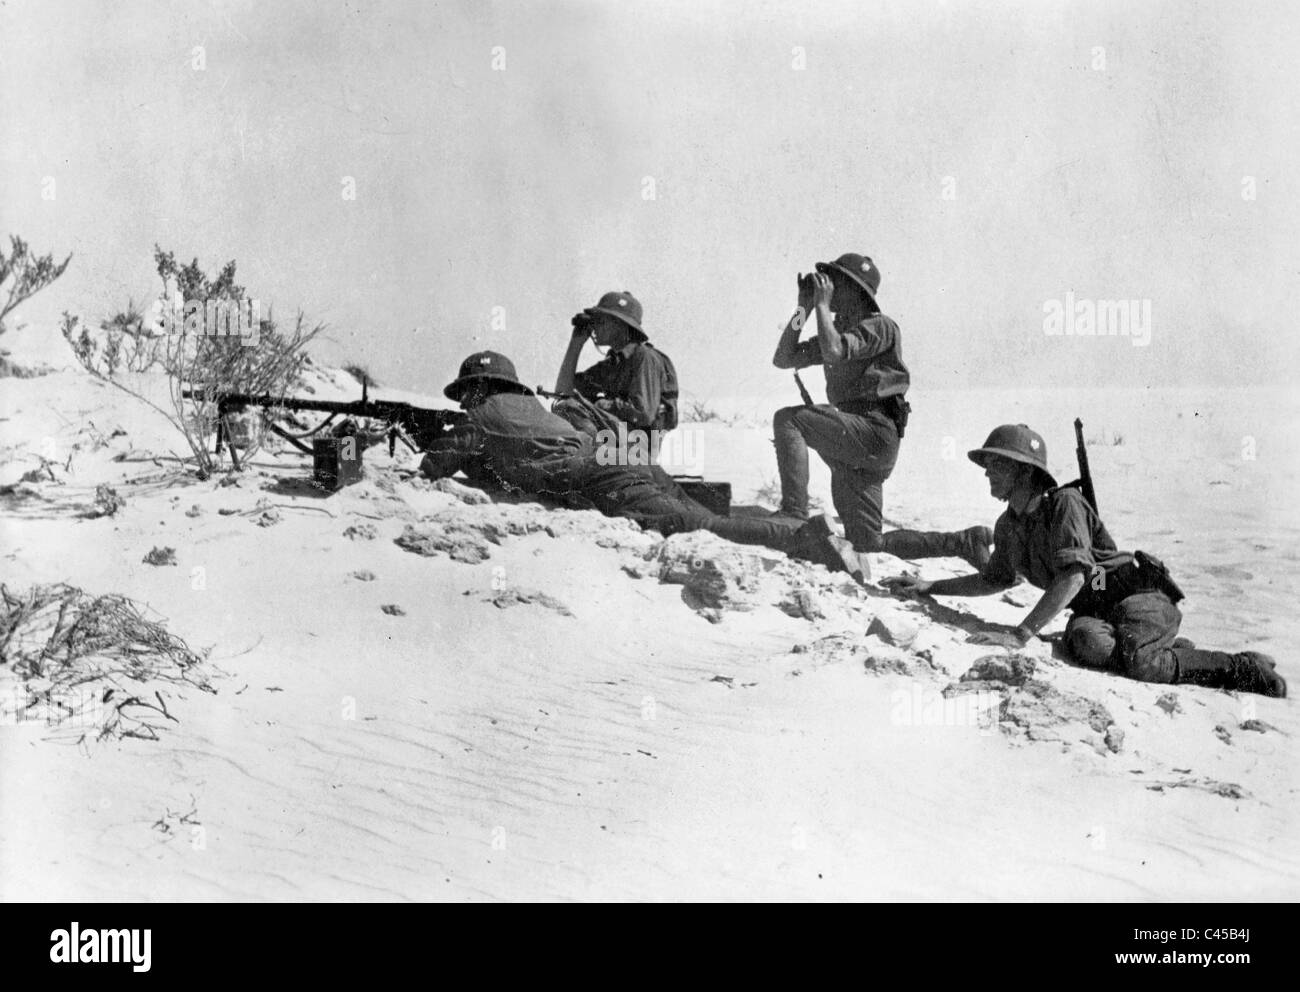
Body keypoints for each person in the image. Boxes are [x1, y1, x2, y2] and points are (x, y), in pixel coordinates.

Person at [882, 424, 1285, 697]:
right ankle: (1167, 648)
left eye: (997, 465)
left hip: (1138, 596)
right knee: (1086, 643)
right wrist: (930, 587)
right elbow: (994, 579)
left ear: (1024, 472)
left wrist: (1020, 634)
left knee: (1143, 666)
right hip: (1099, 611)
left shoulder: (1065, 504)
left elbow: (1074, 577)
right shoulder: (1008, 524)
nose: (987, 473)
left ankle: (1243, 669)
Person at [420, 350, 860, 574]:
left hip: (600, 473)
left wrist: (427, 440)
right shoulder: (528, 407)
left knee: (694, 526)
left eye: (466, 395)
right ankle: (792, 525)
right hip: (619, 452)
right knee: (698, 508)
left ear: (474, 390)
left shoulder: (480, 416)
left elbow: (436, 464)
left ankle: (807, 539)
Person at [771, 252, 990, 576]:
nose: (828, 288)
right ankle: (961, 542)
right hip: (857, 439)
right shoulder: (839, 329)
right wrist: (803, 307)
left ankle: (794, 513)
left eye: (835, 283)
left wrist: (818, 306)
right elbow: (784, 357)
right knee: (868, 542)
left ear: (856, 291)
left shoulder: (880, 327)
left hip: (873, 431)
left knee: (790, 419)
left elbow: (834, 350)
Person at [552, 290, 678, 462]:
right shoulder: (614, 363)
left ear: (620, 325)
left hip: (640, 448)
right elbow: (562, 392)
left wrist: (604, 404)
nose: (594, 327)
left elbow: (643, 413)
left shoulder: (644, 357)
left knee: (570, 408)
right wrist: (576, 343)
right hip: (621, 442)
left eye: (601, 321)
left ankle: (588, 461)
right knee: (564, 406)